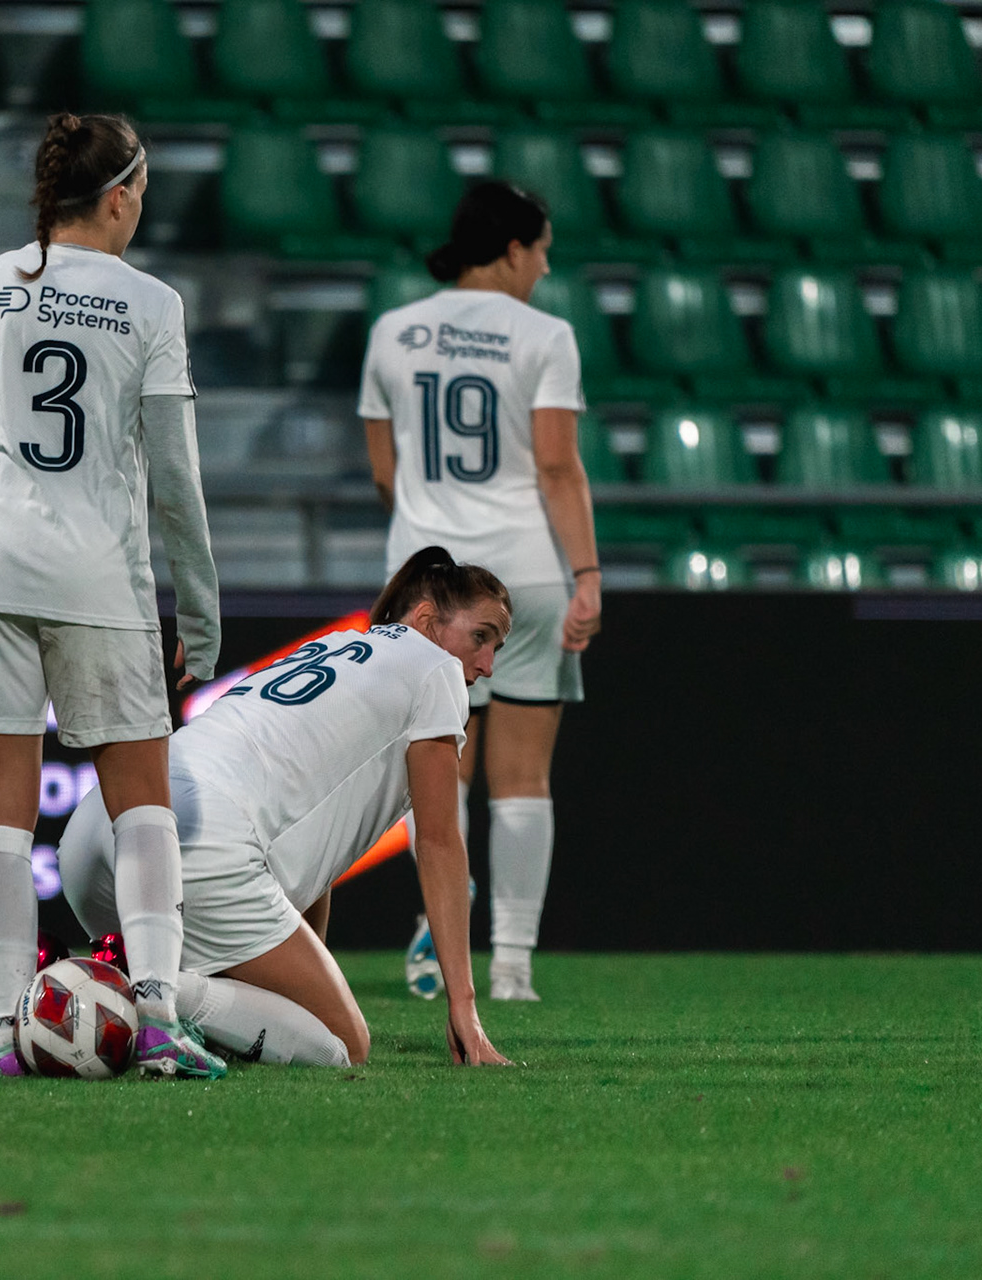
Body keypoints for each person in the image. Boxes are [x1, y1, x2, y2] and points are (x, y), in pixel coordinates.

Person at [0, 112, 226, 1079]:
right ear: (122, 194)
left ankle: (12, 1033)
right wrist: (203, 607)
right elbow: (175, 478)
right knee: (143, 812)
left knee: (0, 815)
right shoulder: (151, 305)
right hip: (100, 577)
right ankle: (162, 1021)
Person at [59, 548, 516, 1068]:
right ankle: (139, 990)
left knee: (276, 1017)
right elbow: (437, 841)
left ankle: (115, 974)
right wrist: (464, 1005)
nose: (487, 663)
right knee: (343, 1044)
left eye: (497, 646)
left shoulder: (337, 645)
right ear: (427, 620)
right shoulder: (437, 670)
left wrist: (303, 967)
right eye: (480, 636)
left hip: (101, 824)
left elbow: (312, 847)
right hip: (204, 842)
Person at [358, 180, 601, 1004]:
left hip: (427, 584)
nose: (542, 269)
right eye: (540, 253)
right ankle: (513, 969)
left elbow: (385, 472)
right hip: (524, 573)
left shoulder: (393, 331)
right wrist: (589, 575)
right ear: (509, 251)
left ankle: (442, 919)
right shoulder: (546, 335)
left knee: (436, 770)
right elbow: (558, 466)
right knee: (524, 779)